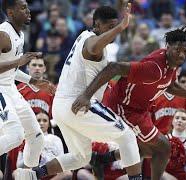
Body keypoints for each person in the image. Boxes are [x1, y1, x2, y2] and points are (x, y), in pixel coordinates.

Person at [18, 4, 142, 180]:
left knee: (80, 157)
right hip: (78, 104)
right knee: (127, 136)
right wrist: (121, 26)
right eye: (110, 27)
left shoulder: (83, 35)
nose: (114, 31)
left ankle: (32, 175)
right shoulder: (92, 41)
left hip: (61, 108)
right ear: (97, 25)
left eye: (116, 26)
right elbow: (93, 48)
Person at [73, 26, 186, 180]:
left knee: (149, 150)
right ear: (168, 47)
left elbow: (170, 86)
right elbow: (114, 67)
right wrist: (86, 95)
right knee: (164, 147)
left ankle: (102, 159)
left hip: (139, 109)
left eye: (185, 50)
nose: (182, 54)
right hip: (123, 107)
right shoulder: (154, 67)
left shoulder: (170, 64)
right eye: (178, 49)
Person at [0, 0, 55, 172]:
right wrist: (18, 61)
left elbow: (12, 69)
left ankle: (29, 175)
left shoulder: (21, 34)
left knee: (37, 136)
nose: (28, 10)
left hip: (10, 88)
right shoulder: (3, 34)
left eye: (27, 6)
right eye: (23, 8)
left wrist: (35, 82)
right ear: (10, 13)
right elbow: (14, 63)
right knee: (15, 135)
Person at [16, 111, 72, 180]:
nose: (41, 123)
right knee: (17, 173)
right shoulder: (27, 139)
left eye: (45, 121)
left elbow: (61, 162)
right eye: (38, 120)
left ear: (49, 124)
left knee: (67, 173)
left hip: (52, 174)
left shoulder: (56, 139)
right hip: (33, 173)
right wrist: (33, 153)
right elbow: (18, 165)